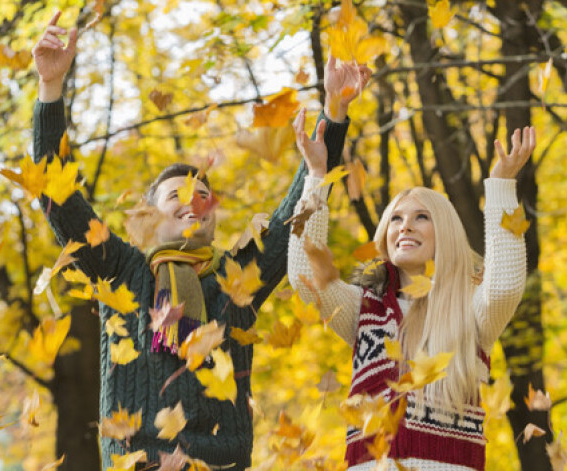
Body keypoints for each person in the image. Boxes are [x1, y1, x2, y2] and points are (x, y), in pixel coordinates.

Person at [32, 11, 371, 470]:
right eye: (178, 196)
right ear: (151, 217)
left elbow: (297, 208)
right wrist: (50, 91)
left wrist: (334, 112)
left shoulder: (237, 277)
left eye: (204, 196)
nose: (194, 201)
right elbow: (60, 200)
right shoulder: (122, 268)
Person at [289, 103, 535, 470]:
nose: (405, 226)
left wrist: (500, 184)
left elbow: (504, 286)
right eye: (396, 219)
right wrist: (316, 177)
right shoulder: (365, 310)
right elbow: (305, 278)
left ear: (446, 232)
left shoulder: (471, 311)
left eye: (422, 217)